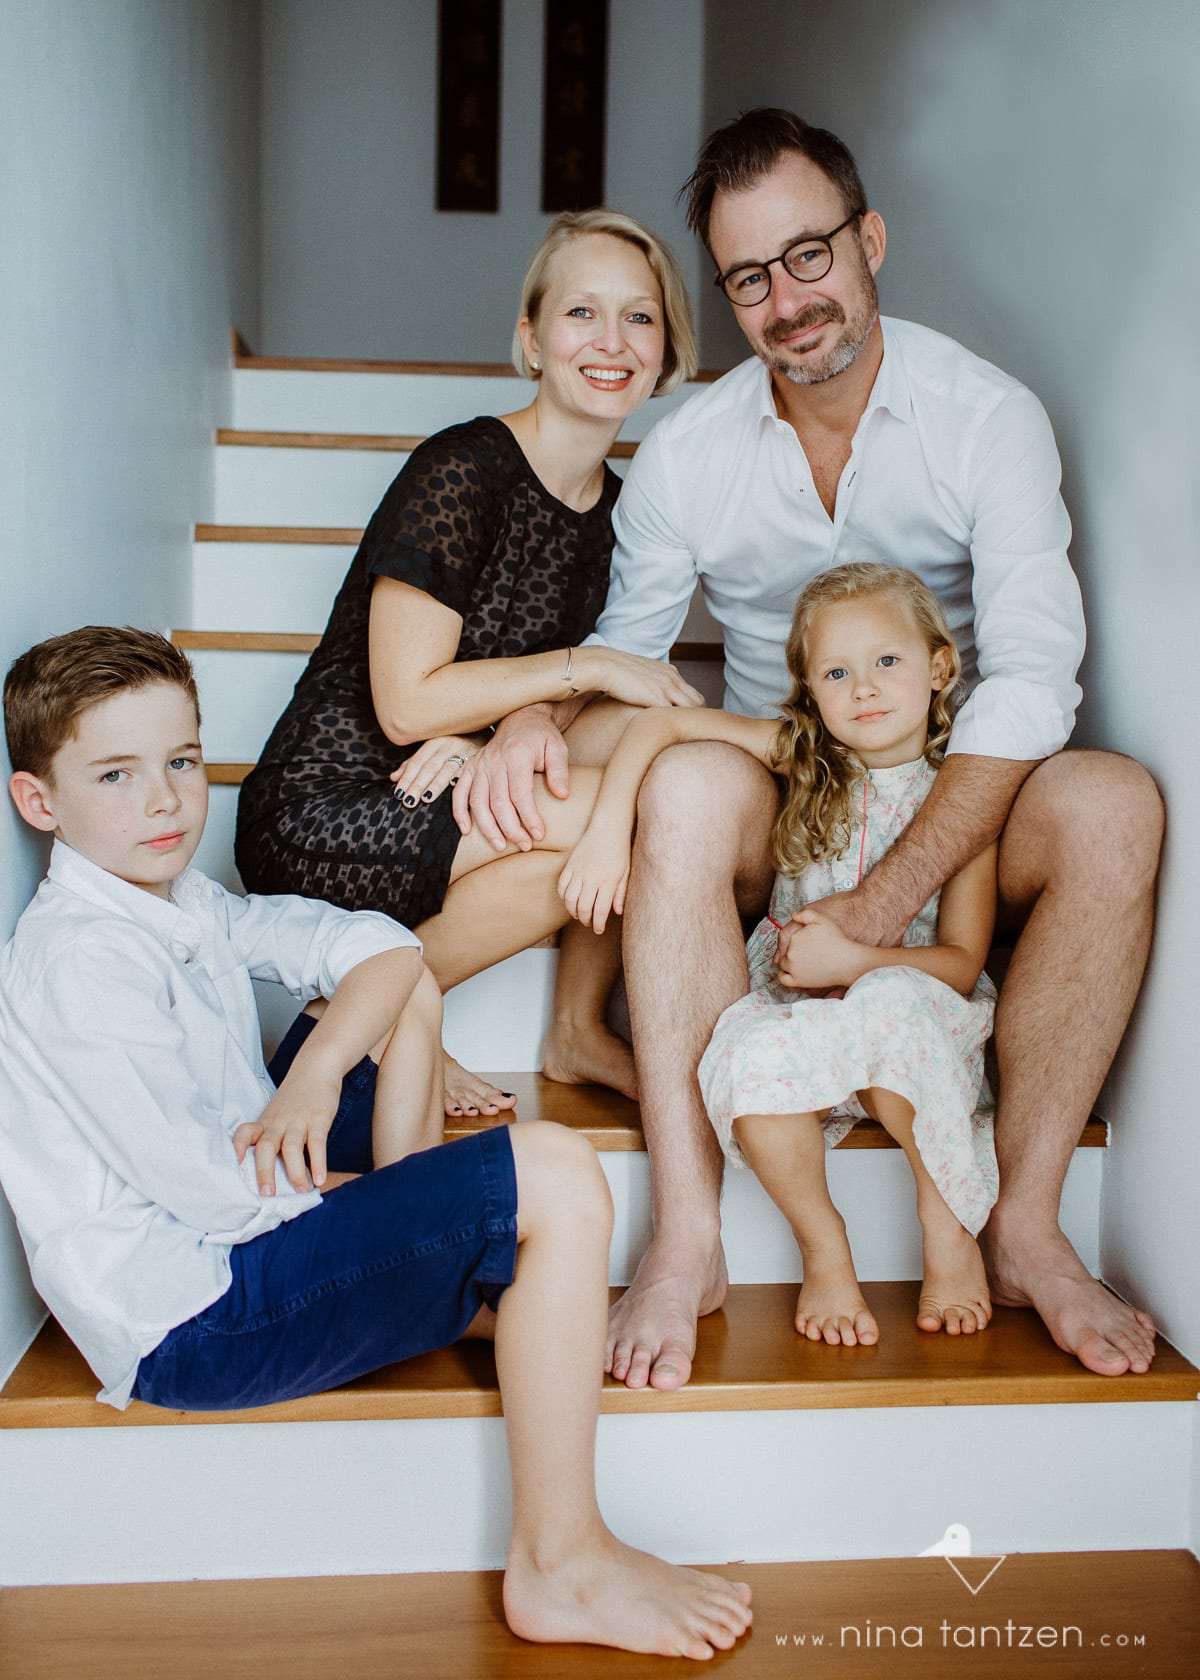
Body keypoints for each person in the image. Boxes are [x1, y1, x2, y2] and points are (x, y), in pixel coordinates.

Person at [457, 108, 1163, 1388]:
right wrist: (530, 713)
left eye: (808, 256)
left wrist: (887, 902)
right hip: (786, 788)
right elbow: (632, 654)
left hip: (956, 800)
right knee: (675, 778)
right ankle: (685, 1231)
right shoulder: (688, 452)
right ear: (723, 299)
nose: (785, 300)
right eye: (746, 278)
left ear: (869, 239)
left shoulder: (986, 416)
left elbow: (1036, 678)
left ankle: (1027, 1224)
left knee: (1114, 800)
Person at [0, 627, 753, 1661]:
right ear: (39, 802)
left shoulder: (179, 901)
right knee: (558, 1174)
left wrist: (314, 1076)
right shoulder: (77, 965)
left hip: (242, 1208)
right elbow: (216, 1198)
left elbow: (384, 946)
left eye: (180, 761)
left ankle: (455, 1267)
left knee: (400, 991)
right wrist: (409, 1212)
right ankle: (560, 1561)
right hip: (195, 1316)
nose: (167, 801)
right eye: (117, 775)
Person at [234, 209, 704, 1121]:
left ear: (666, 350)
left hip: (455, 783)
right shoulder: (462, 469)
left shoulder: (628, 512)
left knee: (645, 778)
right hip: (326, 805)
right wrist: (577, 670)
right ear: (530, 341)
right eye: (581, 314)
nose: (612, 342)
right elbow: (406, 706)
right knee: (633, 803)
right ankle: (378, 1013)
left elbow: (568, 694)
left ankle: (543, 1028)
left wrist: (516, 724)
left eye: (640, 317)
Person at [561, 564, 998, 1345]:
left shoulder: (958, 803)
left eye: (887, 662)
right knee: (743, 1053)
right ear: (809, 691)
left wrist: (853, 964)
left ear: (938, 667)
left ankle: (947, 1227)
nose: (863, 688)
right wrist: (606, 829)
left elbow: (963, 963)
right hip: (806, 1022)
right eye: (836, 672)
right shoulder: (807, 761)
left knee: (893, 1003)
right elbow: (659, 728)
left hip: (917, 1023)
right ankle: (824, 1246)